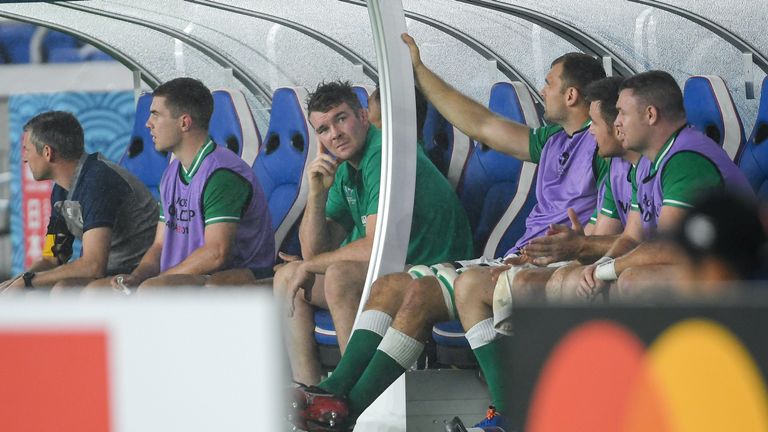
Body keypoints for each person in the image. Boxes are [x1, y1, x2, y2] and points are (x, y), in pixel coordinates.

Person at [291, 35, 608, 431]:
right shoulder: (551, 141)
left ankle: (503, 415)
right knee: (394, 287)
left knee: (449, 285)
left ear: (572, 95)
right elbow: (482, 124)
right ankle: (338, 399)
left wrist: (583, 249)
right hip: (516, 257)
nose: (541, 89)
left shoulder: (604, 149)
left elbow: (611, 226)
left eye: (548, 82)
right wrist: (420, 73)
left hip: (552, 264)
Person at [273, 80, 473, 388]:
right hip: (394, 269)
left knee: (339, 277)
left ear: (363, 116)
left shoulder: (384, 155)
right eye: (323, 129)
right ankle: (310, 393)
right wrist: (316, 196)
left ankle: (354, 395)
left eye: (341, 118)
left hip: (436, 270)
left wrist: (309, 265)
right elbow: (315, 253)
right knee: (286, 278)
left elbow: (377, 247)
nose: (335, 134)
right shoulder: (345, 169)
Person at [86, 77, 274, 293]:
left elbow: (216, 253)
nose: (148, 123)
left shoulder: (222, 174)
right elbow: (159, 245)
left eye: (156, 114)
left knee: (150, 292)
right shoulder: (171, 173)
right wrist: (137, 277)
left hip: (227, 280)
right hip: (181, 278)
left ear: (184, 122)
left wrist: (155, 282)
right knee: (95, 293)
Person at [580, 70, 754, 301]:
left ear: (650, 114)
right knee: (593, 282)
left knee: (634, 281)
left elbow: (671, 246)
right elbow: (632, 237)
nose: (617, 122)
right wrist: (601, 265)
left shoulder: (686, 159)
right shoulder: (646, 163)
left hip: (742, 277)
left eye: (622, 112)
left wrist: (608, 270)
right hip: (701, 267)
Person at [0, 111, 157, 293]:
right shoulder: (61, 189)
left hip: (136, 277)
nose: (24, 158)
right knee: (25, 294)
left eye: (26, 149)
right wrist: (16, 283)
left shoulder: (98, 180)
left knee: (63, 290)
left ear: (47, 152)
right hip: (110, 275)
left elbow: (93, 266)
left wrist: (28, 281)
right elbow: (53, 258)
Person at [520, 76, 642, 300]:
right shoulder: (619, 166)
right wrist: (580, 248)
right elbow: (622, 237)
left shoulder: (674, 163)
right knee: (555, 279)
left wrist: (588, 254)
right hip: (638, 262)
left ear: (618, 125)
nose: (591, 132)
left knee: (624, 283)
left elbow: (658, 244)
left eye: (594, 123)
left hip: (700, 275)